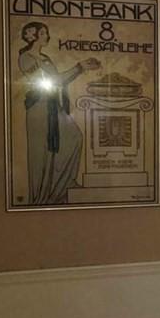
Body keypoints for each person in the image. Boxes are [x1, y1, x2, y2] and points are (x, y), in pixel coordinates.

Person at [18, 21, 101, 204]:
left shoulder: (45, 58)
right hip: (39, 108)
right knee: (43, 155)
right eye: (44, 33)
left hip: (54, 106)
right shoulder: (26, 58)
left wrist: (80, 67)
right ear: (35, 36)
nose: (47, 36)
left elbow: (57, 81)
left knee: (75, 138)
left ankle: (62, 187)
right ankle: (42, 197)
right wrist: (79, 67)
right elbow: (51, 81)